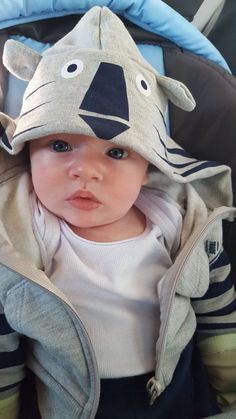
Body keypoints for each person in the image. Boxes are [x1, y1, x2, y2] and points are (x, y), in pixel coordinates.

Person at [0, 6, 236, 419]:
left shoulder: (179, 221)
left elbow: (219, 316)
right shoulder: (24, 233)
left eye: (116, 152)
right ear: (28, 150)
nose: (86, 171)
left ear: (149, 168)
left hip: (177, 396)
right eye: (59, 146)